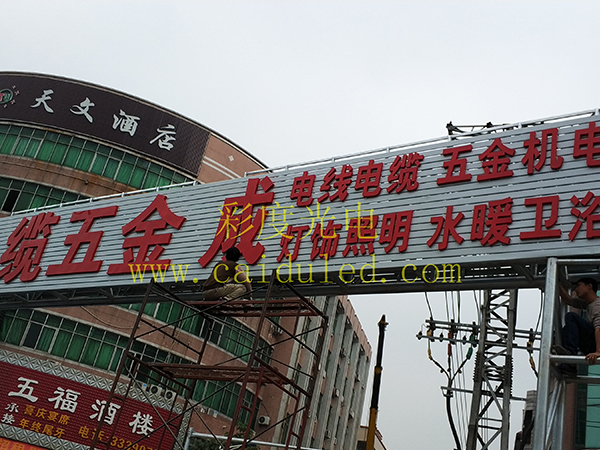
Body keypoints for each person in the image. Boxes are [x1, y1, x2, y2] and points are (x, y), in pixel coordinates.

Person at [556, 277, 600, 367]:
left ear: (589, 286)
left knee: (571, 316)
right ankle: (569, 365)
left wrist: (598, 352)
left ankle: (570, 354)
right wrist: (556, 283)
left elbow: (598, 329)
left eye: (579, 285)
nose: (576, 290)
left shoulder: (597, 304)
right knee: (567, 330)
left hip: (596, 344)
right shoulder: (588, 304)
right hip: (592, 344)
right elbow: (568, 300)